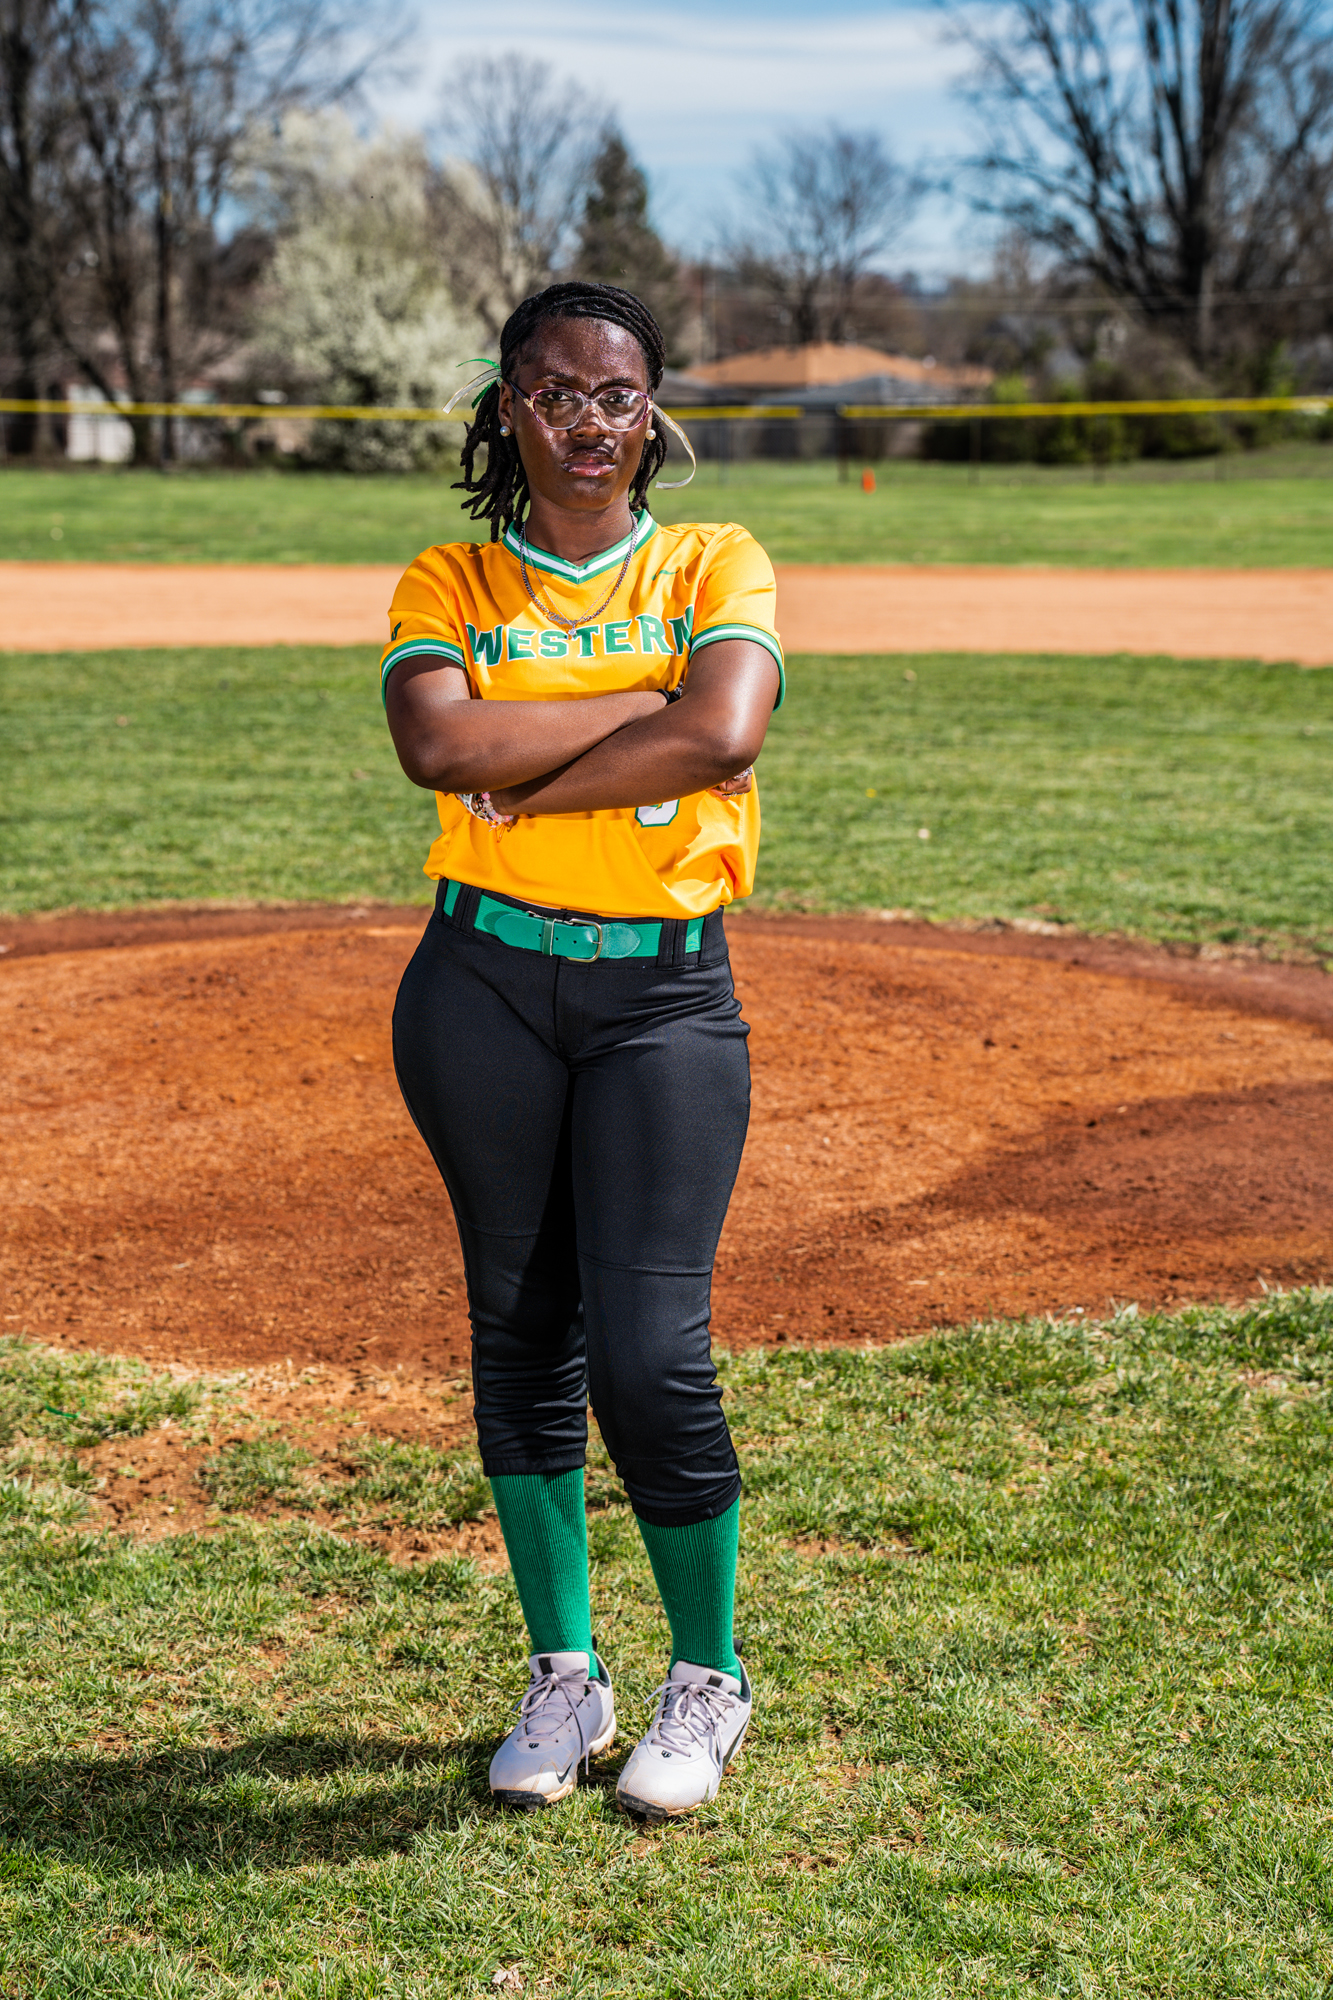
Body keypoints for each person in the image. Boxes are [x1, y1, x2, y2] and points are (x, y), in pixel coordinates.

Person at [381, 281, 783, 1820]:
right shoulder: (452, 576)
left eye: (616, 395)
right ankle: (565, 1673)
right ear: (509, 407)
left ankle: (708, 1680)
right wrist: (641, 700)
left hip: (663, 1000)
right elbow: (438, 744)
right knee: (520, 1329)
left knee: (649, 1351)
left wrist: (538, 779)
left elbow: (724, 729)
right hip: (479, 984)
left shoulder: (712, 559)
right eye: (553, 393)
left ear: (651, 411)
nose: (587, 423)